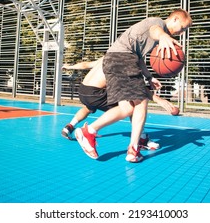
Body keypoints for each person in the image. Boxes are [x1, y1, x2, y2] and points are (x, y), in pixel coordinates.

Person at [75, 9, 192, 162]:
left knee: (128, 107)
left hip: (115, 60)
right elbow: (155, 30)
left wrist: (149, 77)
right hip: (122, 59)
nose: (182, 32)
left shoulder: (151, 39)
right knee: (141, 100)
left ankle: (122, 144)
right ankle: (124, 145)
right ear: (175, 19)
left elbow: (139, 57)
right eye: (182, 28)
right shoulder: (158, 24)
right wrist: (163, 36)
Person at [61, 57, 178, 150]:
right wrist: (159, 100)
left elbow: (85, 65)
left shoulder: (105, 57)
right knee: (133, 105)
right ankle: (142, 139)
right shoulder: (124, 60)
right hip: (95, 93)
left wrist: (69, 66)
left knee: (88, 107)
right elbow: (138, 87)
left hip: (83, 91)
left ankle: (69, 126)